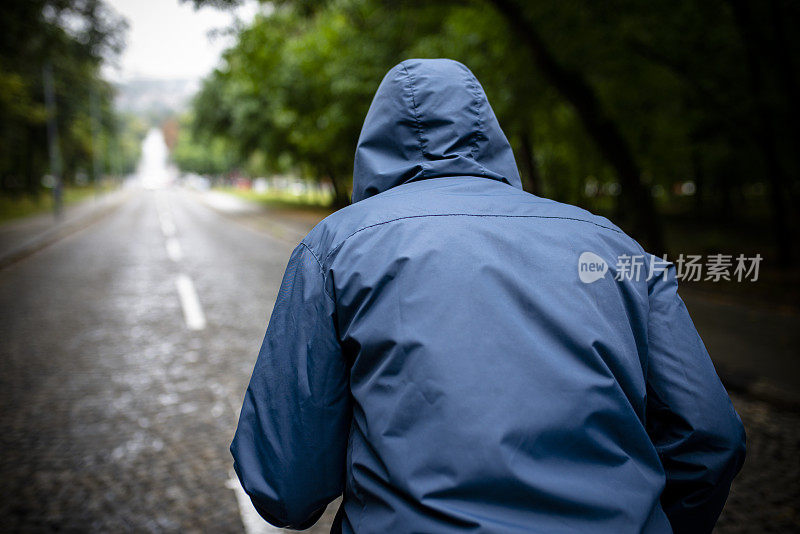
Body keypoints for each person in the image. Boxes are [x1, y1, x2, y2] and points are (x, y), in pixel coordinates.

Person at [231, 58, 746, 533]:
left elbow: (285, 487)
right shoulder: (612, 246)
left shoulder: (336, 247)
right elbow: (710, 437)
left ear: (375, 144)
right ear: (490, 133)